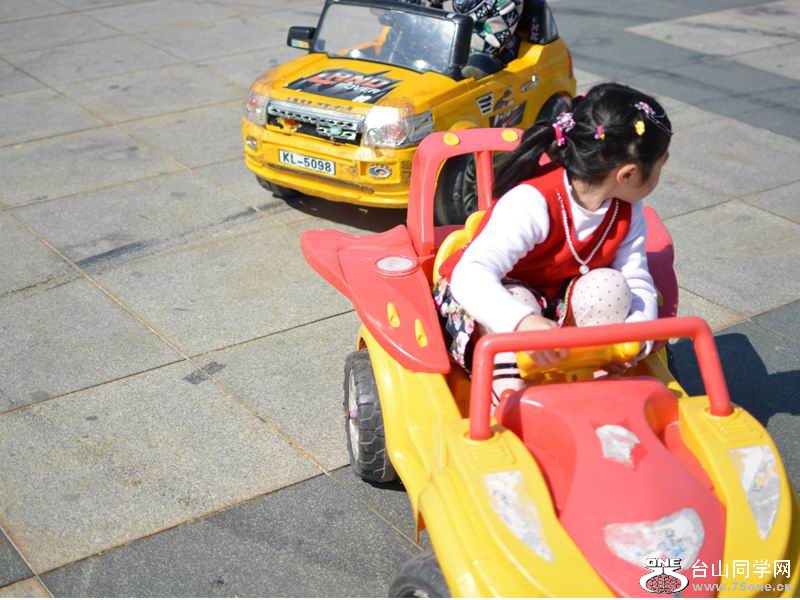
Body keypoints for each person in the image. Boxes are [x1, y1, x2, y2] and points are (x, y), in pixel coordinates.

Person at [433, 83, 673, 402]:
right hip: (490, 306)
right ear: (627, 174)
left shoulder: (627, 209)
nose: (659, 176)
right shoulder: (532, 202)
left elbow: (636, 276)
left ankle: (593, 374)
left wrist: (636, 331)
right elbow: (470, 276)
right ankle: (508, 396)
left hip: (557, 300)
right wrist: (522, 322)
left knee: (611, 285)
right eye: (660, 166)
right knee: (518, 298)